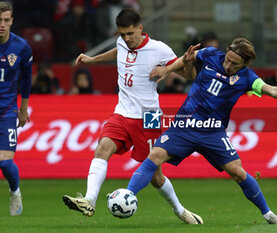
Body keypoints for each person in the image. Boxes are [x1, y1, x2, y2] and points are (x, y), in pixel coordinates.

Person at [126, 38, 277, 225]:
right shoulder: (211, 54)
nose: (228, 65)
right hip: (184, 125)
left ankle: (268, 214)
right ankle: (128, 195)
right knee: (155, 155)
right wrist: (168, 69)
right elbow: (187, 57)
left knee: (238, 172)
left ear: (244, 63)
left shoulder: (247, 77)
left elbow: (272, 91)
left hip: (213, 131)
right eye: (227, 59)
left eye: (234, 63)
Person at [62, 8, 203, 224]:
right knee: (102, 148)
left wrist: (187, 61)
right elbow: (117, 52)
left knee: (156, 177)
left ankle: (180, 210)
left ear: (140, 28)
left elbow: (189, 74)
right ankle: (89, 200)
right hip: (122, 111)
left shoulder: (158, 49)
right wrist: (92, 60)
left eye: (130, 34)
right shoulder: (122, 43)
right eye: (122, 34)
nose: (126, 39)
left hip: (149, 117)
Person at [0, 1, 33, 216]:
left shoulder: (21, 47)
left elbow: (27, 80)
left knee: (4, 162)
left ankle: (14, 191)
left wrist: (24, 108)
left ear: (12, 21)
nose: (1, 24)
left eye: (5, 20)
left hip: (7, 111)